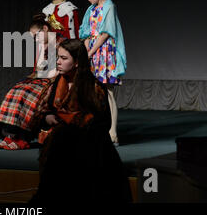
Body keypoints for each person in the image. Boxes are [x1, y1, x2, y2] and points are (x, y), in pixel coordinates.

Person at [30, 39, 131, 203]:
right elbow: (45, 109)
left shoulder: (93, 86)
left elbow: (101, 121)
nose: (58, 62)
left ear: (76, 62)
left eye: (64, 58)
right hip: (59, 149)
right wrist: (47, 117)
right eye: (58, 57)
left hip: (88, 150)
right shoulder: (56, 83)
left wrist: (73, 126)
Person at [0, 14, 65, 150]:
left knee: (27, 94)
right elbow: (39, 68)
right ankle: (9, 135)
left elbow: (62, 67)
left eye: (36, 35)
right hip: (41, 77)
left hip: (54, 79)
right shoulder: (42, 46)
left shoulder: (61, 43)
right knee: (16, 90)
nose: (35, 39)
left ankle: (22, 137)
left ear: (45, 29)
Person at [79, 0, 127, 146]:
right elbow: (85, 32)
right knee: (91, 92)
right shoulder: (91, 9)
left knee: (108, 92)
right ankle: (94, 128)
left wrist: (91, 52)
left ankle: (112, 132)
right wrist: (86, 49)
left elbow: (106, 33)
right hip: (91, 51)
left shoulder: (109, 6)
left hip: (104, 52)